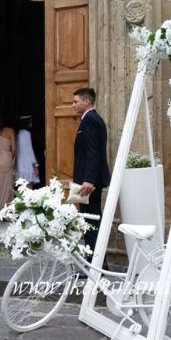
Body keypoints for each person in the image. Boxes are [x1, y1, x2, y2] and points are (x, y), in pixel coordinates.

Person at [72, 88, 110, 255]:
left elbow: (93, 152)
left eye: (75, 102)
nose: (73, 105)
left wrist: (88, 180)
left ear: (86, 102)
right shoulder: (90, 119)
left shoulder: (90, 120)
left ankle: (93, 262)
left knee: (90, 220)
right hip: (90, 180)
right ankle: (98, 262)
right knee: (89, 219)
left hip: (90, 182)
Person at [15, 115, 40, 187]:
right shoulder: (27, 134)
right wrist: (35, 165)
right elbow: (29, 150)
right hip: (27, 165)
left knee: (20, 190)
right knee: (28, 190)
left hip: (18, 165)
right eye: (30, 121)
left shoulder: (17, 134)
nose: (31, 123)